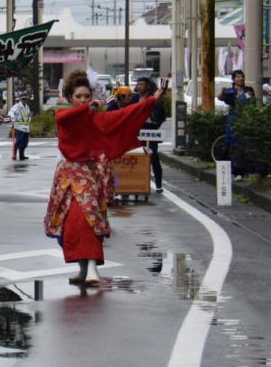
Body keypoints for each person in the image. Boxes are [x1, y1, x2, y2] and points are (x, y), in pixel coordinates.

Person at [45, 69, 167, 286]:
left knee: (88, 219)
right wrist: (88, 108)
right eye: (78, 96)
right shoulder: (64, 116)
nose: (83, 99)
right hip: (66, 177)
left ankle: (92, 269)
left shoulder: (99, 119)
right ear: (70, 98)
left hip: (90, 175)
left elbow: (125, 115)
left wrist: (151, 101)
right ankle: (83, 270)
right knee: (69, 223)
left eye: (87, 96)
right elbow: (67, 117)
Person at [134, 76, 168, 193]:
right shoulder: (134, 98)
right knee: (136, 158)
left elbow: (161, 114)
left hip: (150, 132)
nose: (139, 86)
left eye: (142, 84)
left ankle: (158, 184)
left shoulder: (154, 98)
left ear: (148, 86)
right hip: (136, 132)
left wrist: (152, 119)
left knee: (153, 158)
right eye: (138, 84)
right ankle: (137, 182)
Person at [9, 93, 32, 161]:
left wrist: (29, 120)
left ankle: (22, 155)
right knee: (19, 141)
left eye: (26, 99)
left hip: (26, 127)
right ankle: (14, 154)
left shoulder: (27, 106)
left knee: (25, 142)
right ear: (20, 99)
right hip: (19, 126)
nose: (24, 100)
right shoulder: (16, 106)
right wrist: (13, 118)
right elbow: (11, 112)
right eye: (23, 99)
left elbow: (28, 115)